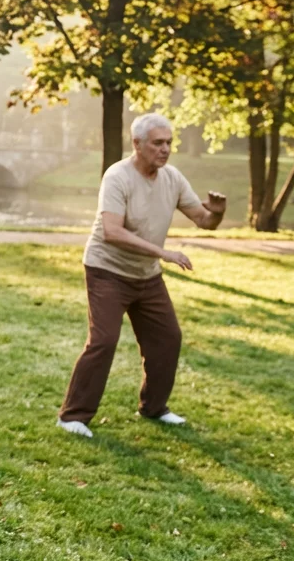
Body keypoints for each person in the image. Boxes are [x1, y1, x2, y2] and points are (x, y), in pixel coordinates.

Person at [57, 113, 226, 438]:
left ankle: (153, 408)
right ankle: (72, 416)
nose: (165, 150)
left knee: (167, 339)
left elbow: (203, 220)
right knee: (103, 340)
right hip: (107, 271)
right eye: (158, 143)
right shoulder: (117, 176)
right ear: (137, 144)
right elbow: (111, 232)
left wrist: (217, 214)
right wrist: (164, 253)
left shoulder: (172, 178)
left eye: (168, 143)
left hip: (145, 275)